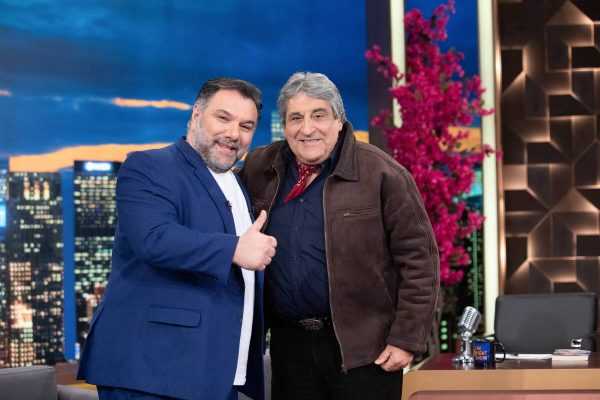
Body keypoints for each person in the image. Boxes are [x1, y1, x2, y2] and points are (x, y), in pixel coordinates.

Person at [239, 72, 440, 400]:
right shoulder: (261, 167)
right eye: (296, 118)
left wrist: (406, 339)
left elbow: (420, 261)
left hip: (366, 351)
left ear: (339, 120)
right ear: (284, 126)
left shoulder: (382, 173)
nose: (307, 129)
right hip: (289, 349)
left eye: (318, 115)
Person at [78, 77, 277, 400]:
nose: (234, 133)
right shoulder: (148, 166)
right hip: (151, 371)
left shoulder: (237, 184)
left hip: (215, 375)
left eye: (246, 126)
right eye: (223, 118)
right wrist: (234, 249)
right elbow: (153, 238)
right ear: (196, 114)